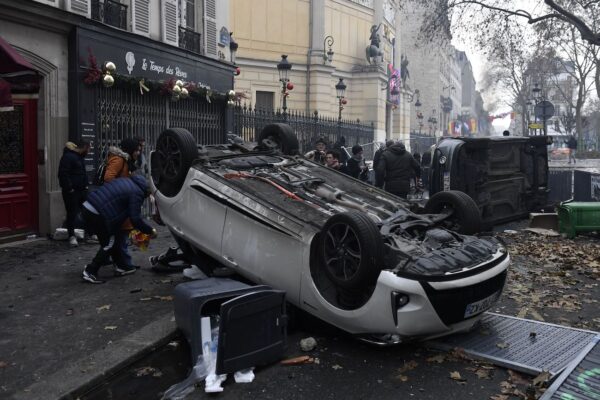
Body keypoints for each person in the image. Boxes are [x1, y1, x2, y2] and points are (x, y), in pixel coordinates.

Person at [81, 175, 156, 284]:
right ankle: (90, 271)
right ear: (148, 190)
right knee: (109, 244)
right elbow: (135, 218)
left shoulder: (128, 181)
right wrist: (150, 230)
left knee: (111, 241)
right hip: (98, 212)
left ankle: (121, 266)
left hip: (89, 206)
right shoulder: (138, 192)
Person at [104, 137, 142, 269]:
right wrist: (124, 189)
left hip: (121, 203)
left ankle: (121, 262)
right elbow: (108, 178)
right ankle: (124, 264)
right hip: (117, 203)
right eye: (137, 150)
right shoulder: (119, 160)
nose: (138, 152)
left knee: (121, 235)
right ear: (130, 149)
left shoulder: (127, 161)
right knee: (121, 236)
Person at [58, 140, 90, 247]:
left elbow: (82, 173)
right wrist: (69, 189)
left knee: (87, 211)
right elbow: (63, 174)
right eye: (88, 149)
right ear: (84, 147)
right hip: (72, 192)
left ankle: (90, 233)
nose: (89, 151)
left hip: (81, 190)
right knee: (71, 213)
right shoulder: (68, 157)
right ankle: (71, 236)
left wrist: (85, 186)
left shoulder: (79, 157)